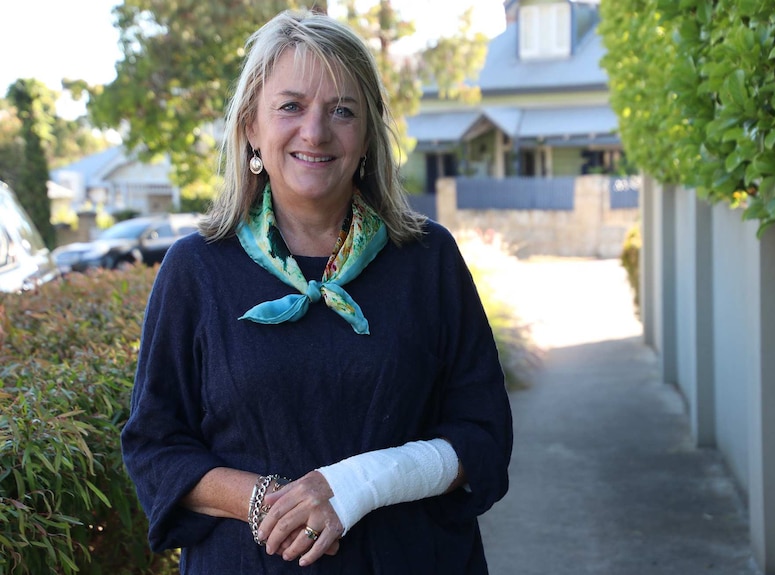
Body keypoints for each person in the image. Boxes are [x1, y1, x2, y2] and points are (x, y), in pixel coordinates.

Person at [120, 9, 513, 575]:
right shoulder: (196, 269)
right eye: (291, 106)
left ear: (368, 135)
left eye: (342, 110)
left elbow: (483, 436)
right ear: (252, 126)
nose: (315, 131)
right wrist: (271, 503)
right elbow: (154, 446)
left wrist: (354, 486)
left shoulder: (429, 261)